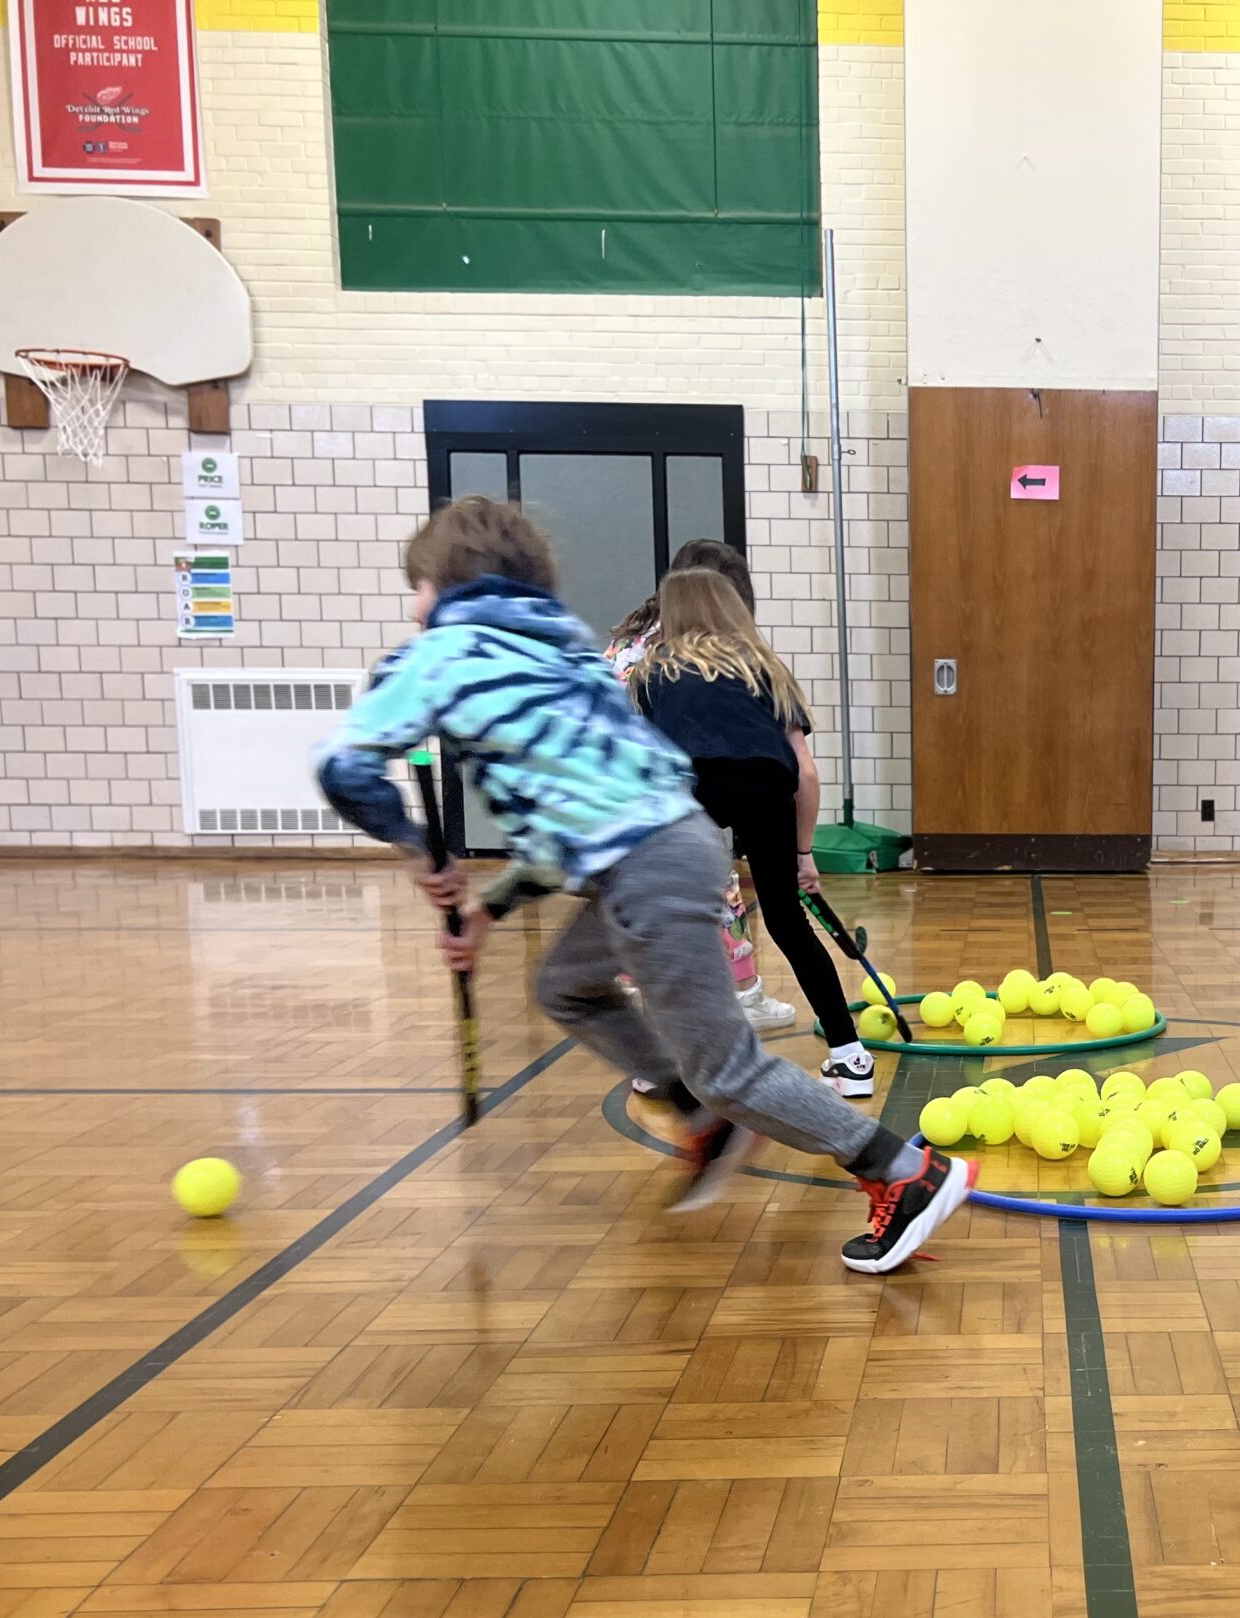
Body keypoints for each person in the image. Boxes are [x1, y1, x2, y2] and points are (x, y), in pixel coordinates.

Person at [313, 496, 970, 1273]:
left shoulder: (439, 654)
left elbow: (345, 767)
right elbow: (574, 829)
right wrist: (486, 906)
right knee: (567, 985)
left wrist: (426, 858)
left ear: (441, 583)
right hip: (670, 845)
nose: (414, 605)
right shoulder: (568, 651)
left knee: (728, 1067)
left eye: (416, 586)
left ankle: (905, 1173)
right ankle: (699, 1113)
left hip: (647, 865)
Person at [615, 566, 874, 1098]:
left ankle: (667, 1061)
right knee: (787, 920)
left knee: (681, 927)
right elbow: (803, 770)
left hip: (692, 786)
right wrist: (803, 853)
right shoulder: (765, 668)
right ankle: (851, 1058)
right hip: (767, 784)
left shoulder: (651, 672)